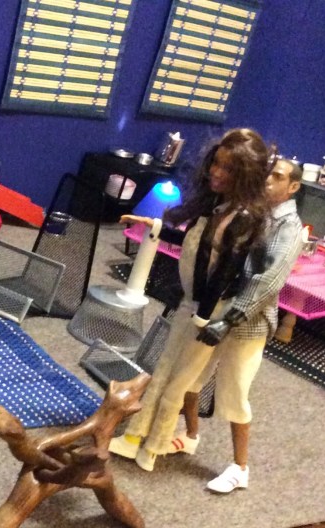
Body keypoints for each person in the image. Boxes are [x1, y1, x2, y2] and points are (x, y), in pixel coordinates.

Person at [108, 128, 271, 473]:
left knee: (179, 383)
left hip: (210, 313)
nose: (216, 172)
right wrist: (153, 225)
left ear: (245, 175)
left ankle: (155, 445)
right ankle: (135, 435)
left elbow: (225, 273)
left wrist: (205, 317)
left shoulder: (244, 218)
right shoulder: (216, 205)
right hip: (191, 302)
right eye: (216, 164)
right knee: (163, 368)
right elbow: (193, 244)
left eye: (228, 168)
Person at [164, 157, 305, 493]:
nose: (268, 180)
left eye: (278, 176)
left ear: (293, 186)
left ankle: (240, 467)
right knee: (191, 377)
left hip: (246, 323)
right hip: (218, 308)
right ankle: (191, 434)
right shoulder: (253, 211)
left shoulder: (289, 227)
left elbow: (267, 281)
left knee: (234, 392)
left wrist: (228, 321)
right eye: (267, 173)